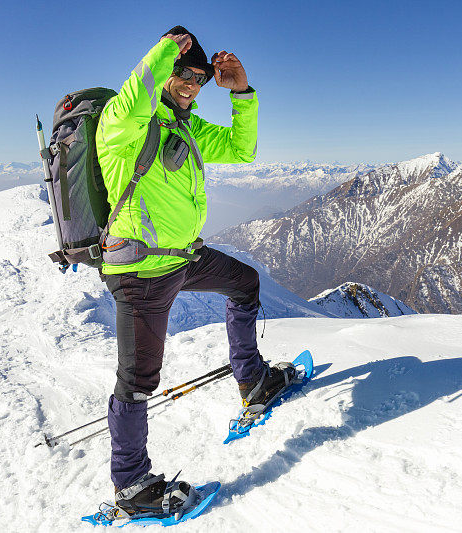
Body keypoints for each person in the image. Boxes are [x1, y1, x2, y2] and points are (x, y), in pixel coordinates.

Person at [96, 25, 295, 515]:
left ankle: (252, 380)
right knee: (138, 379)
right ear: (165, 71)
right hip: (141, 271)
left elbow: (243, 150)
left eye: (199, 78)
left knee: (246, 283)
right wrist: (167, 49)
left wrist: (242, 93)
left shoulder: (188, 127)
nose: (189, 83)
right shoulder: (124, 121)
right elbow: (137, 88)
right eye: (182, 74)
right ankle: (131, 487)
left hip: (184, 258)